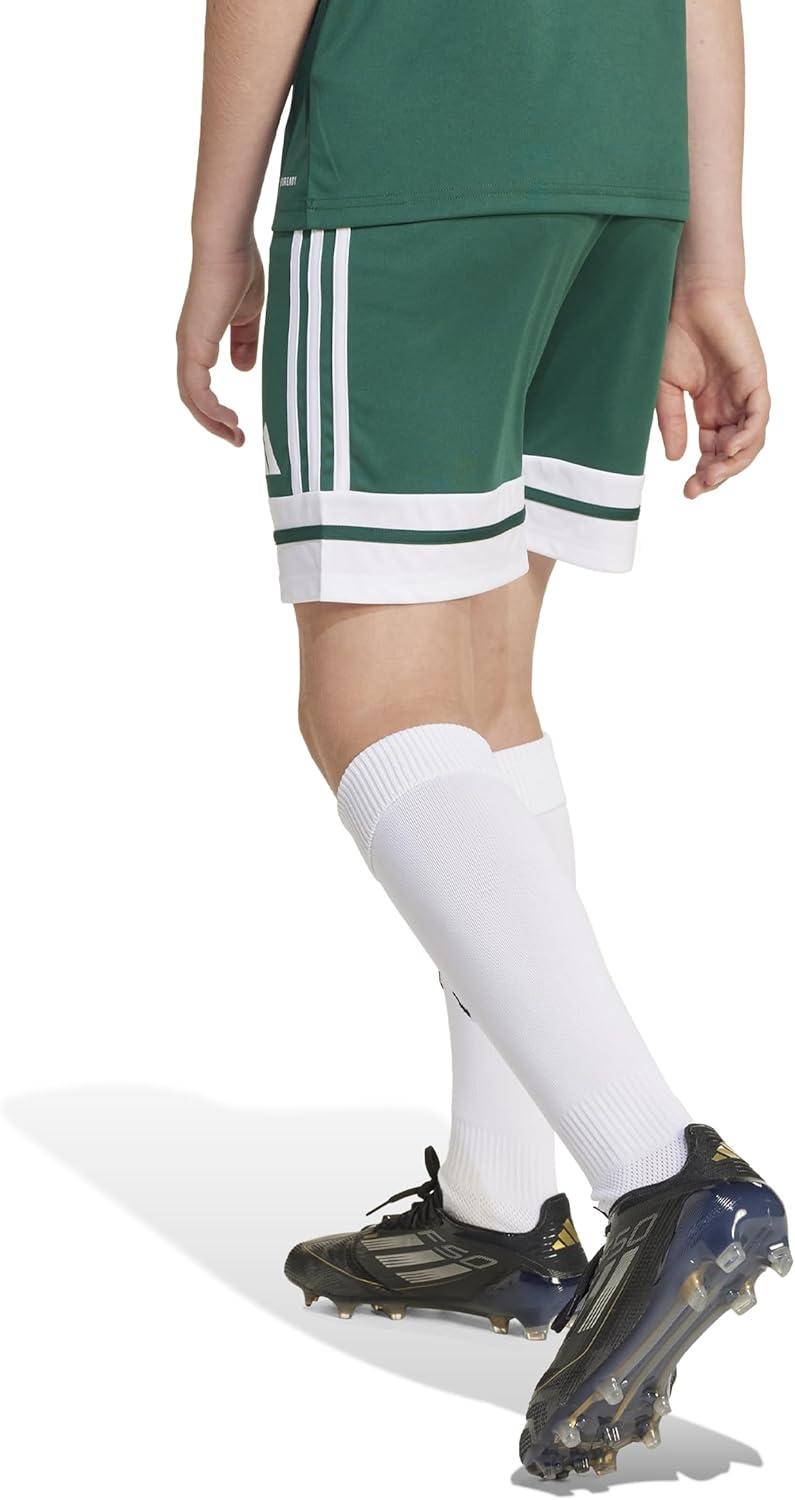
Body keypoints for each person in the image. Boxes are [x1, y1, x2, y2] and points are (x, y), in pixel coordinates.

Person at [177, 0, 789, 1479]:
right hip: (621, 178)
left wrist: (215, 236)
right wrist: (711, 260)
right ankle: (502, 1215)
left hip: (419, 158)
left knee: (375, 705)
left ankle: (664, 1179)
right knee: (482, 690)